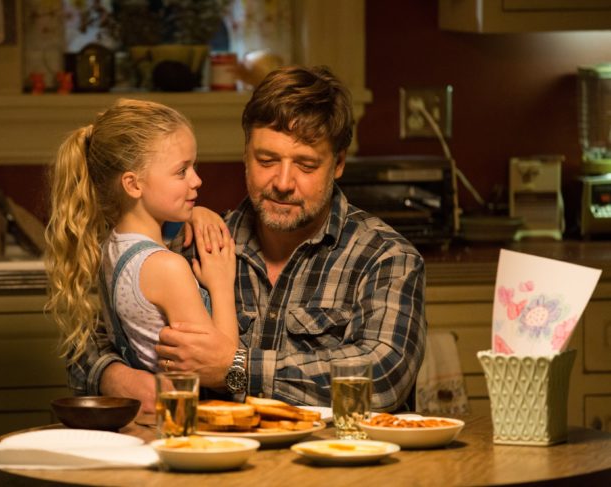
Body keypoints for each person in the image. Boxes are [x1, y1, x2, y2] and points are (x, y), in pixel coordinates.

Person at [68, 65, 427, 413]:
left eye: (305, 165)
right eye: (267, 160)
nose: (283, 183)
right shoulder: (193, 241)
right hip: (212, 465)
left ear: (338, 164)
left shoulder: (385, 257)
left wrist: (236, 367)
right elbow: (88, 339)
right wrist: (115, 378)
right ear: (244, 154)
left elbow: (383, 376)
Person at [45, 99, 239, 412]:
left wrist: (193, 213)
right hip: (183, 423)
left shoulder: (112, 247)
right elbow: (221, 366)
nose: (197, 180)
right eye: (181, 171)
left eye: (194, 167)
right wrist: (221, 284)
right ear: (133, 185)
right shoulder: (166, 268)